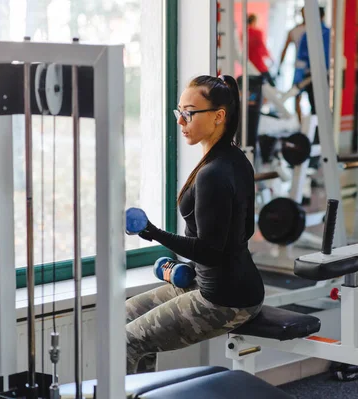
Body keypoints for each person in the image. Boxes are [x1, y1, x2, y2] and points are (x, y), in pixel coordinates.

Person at [124, 75, 265, 374]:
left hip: (226, 300)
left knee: (125, 341)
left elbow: (211, 252)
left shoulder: (214, 173)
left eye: (189, 113)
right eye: (180, 112)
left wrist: (152, 231)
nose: (181, 121)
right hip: (214, 284)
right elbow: (243, 233)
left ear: (218, 116)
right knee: (122, 317)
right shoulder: (234, 159)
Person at [295, 6, 330, 116]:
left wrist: (298, 78)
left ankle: (317, 131)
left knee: (316, 108)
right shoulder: (330, 33)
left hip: (312, 76)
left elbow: (301, 58)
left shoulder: (308, 34)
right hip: (327, 75)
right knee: (325, 107)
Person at [278, 8, 306, 123]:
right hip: (300, 69)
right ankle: (301, 126)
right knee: (297, 97)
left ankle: (312, 128)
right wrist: (280, 66)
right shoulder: (295, 31)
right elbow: (284, 49)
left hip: (310, 69)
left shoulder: (318, 31)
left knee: (313, 99)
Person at [247, 13, 276, 87]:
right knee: (271, 85)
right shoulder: (258, 32)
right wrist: (270, 58)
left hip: (250, 64)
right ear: (254, 21)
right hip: (259, 64)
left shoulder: (244, 34)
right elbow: (262, 47)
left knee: (256, 87)